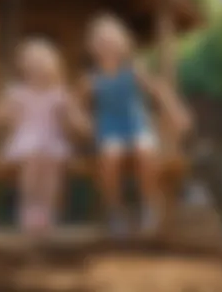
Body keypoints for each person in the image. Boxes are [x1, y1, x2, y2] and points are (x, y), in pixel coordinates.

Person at [79, 13, 191, 236]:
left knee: (145, 151)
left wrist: (175, 111)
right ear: (92, 47)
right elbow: (75, 105)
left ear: (123, 44)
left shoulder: (134, 70)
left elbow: (158, 90)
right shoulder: (91, 79)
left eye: (112, 42)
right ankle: (115, 208)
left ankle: (149, 202)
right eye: (102, 43)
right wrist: (82, 122)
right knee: (110, 156)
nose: (107, 47)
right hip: (109, 126)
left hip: (136, 123)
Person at [0, 38, 89, 237]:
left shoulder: (59, 94)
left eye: (43, 66)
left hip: (51, 139)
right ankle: (28, 208)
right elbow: (2, 116)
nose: (39, 72)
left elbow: (75, 118)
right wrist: (6, 113)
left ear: (52, 68)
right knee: (33, 161)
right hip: (26, 138)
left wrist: (79, 121)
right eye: (34, 67)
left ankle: (48, 211)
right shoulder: (17, 93)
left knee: (53, 165)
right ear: (25, 69)